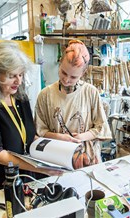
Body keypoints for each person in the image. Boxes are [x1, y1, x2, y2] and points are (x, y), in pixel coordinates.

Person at [0, 41, 62, 218]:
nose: (18, 81)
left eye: (20, 74)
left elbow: (30, 136)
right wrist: (42, 168)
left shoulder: (20, 98)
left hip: (26, 177)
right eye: (12, 76)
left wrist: (56, 153)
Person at [35, 39, 112, 169]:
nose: (66, 80)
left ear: (83, 73)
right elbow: (40, 131)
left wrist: (81, 137)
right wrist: (60, 137)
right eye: (63, 72)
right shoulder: (45, 95)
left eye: (73, 77)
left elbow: (100, 128)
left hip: (87, 158)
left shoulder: (90, 92)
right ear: (60, 64)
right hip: (55, 157)